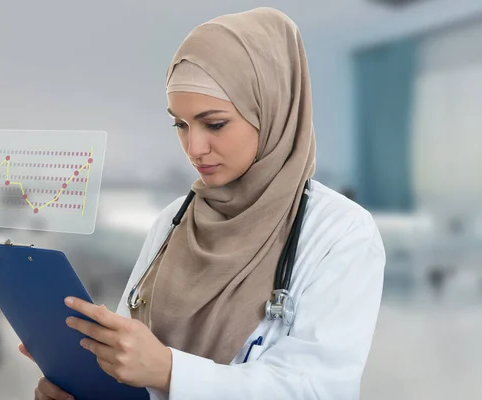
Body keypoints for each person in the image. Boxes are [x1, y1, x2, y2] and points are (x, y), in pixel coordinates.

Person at [21, 7, 385, 400]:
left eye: (214, 124)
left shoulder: (341, 233)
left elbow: (319, 389)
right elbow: (131, 359)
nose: (194, 148)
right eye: (180, 124)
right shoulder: (174, 221)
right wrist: (85, 384)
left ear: (273, 109)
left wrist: (170, 371)